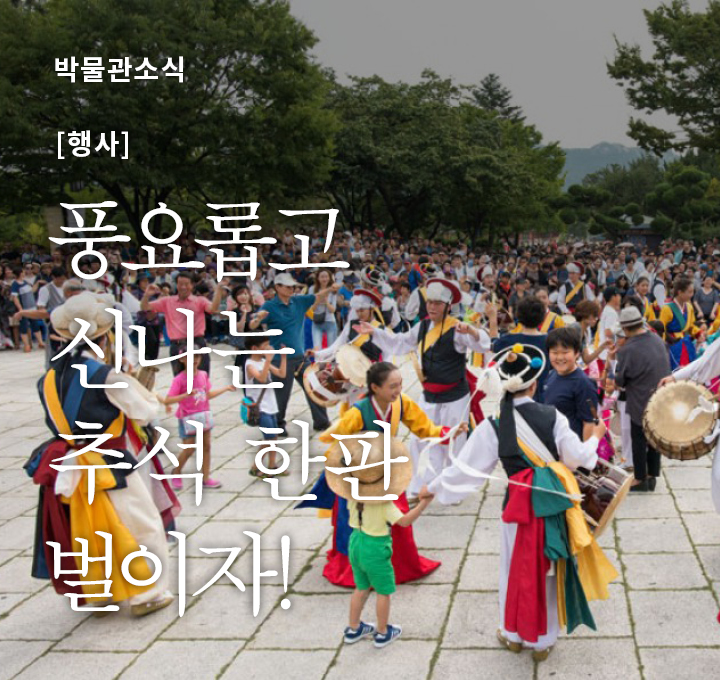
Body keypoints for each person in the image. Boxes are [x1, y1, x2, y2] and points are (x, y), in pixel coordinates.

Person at [425, 343, 614, 661]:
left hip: (516, 508)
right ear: (534, 384)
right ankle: (543, 641)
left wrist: (431, 488)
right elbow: (578, 458)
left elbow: (464, 471)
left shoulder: (493, 424)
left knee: (512, 569)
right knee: (548, 571)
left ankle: (513, 634)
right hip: (551, 507)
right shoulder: (553, 417)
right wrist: (596, 436)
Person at [27, 292, 174, 616]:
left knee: (88, 529)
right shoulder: (106, 375)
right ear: (104, 337)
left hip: (71, 464)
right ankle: (147, 594)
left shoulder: (47, 380)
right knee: (142, 524)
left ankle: (100, 592)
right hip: (109, 460)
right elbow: (145, 411)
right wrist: (136, 384)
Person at [300, 361, 465, 588]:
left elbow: (425, 428)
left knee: (397, 518)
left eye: (400, 384)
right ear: (375, 388)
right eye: (392, 386)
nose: (398, 390)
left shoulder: (402, 403)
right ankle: (357, 567)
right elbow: (333, 436)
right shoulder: (358, 412)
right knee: (356, 522)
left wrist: (449, 432)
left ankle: (399, 564)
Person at [354, 279, 490, 502]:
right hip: (429, 395)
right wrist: (375, 332)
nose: (432, 307)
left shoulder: (457, 329)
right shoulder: (423, 326)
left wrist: (473, 331)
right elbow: (400, 342)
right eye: (430, 302)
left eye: (438, 303)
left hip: (455, 396)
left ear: (447, 306)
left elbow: (482, 344)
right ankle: (419, 487)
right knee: (420, 439)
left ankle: (453, 489)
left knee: (454, 442)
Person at [261, 272, 340, 433]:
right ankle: (277, 425)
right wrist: (254, 319)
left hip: (300, 357)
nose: (291, 289)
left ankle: (322, 422)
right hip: (280, 359)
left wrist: (330, 289)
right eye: (287, 286)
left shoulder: (298, 301)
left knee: (314, 387)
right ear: (277, 287)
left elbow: (316, 296)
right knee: (281, 395)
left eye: (293, 286)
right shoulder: (270, 306)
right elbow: (255, 322)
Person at [162, 343, 236, 490]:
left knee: (206, 447)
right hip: (187, 418)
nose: (194, 359)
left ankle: (205, 477)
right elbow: (168, 400)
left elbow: (207, 394)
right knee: (189, 449)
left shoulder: (203, 375)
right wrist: (185, 395)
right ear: (182, 359)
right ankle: (176, 471)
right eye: (190, 357)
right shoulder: (179, 379)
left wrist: (225, 389)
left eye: (197, 356)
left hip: (203, 416)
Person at [613, 306, 671, 491]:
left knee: (638, 438)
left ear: (625, 328)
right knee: (654, 436)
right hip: (660, 396)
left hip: (639, 398)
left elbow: (620, 380)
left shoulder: (627, 349)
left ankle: (640, 478)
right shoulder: (657, 339)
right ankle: (652, 474)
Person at [140, 271, 224, 375]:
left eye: (186, 284)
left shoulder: (200, 301)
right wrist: (146, 295)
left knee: (202, 377)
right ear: (176, 285)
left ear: (192, 285)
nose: (183, 287)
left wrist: (218, 291)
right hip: (177, 345)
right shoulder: (167, 301)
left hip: (197, 342)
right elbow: (145, 307)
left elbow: (213, 308)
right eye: (180, 284)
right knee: (180, 379)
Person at [544, 327, 600, 440]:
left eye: (565, 352)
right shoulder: (552, 374)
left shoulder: (584, 384)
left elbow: (590, 423)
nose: (560, 357)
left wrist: (584, 450)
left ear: (577, 353)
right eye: (555, 352)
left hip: (571, 446)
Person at [244, 334, 288, 478]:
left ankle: (271, 465)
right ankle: (257, 466)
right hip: (260, 407)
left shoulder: (263, 361)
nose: (268, 348)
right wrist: (268, 360)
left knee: (273, 438)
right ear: (254, 348)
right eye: (265, 346)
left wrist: (283, 358)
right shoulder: (250, 365)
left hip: (271, 404)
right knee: (269, 438)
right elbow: (262, 379)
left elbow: (281, 374)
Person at [493, 296, 550, 400]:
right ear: (543, 317)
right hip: (540, 395)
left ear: (518, 316)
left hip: (511, 395)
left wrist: (492, 318)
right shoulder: (550, 341)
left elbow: (493, 345)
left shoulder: (508, 340)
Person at [659, 276, 704, 370]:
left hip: (687, 344)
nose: (692, 294)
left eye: (693, 292)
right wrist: (662, 347)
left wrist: (698, 333)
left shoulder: (689, 307)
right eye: (689, 292)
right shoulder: (667, 308)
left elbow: (691, 326)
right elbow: (661, 329)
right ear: (680, 292)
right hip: (673, 345)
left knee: (690, 371)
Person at [310, 269, 339, 350]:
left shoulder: (333, 290)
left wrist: (326, 302)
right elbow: (311, 309)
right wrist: (318, 301)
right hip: (316, 322)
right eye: (322, 277)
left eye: (326, 277)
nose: (324, 279)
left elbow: (333, 310)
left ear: (329, 278)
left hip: (330, 321)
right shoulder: (312, 289)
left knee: (331, 349)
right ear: (318, 278)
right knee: (317, 348)